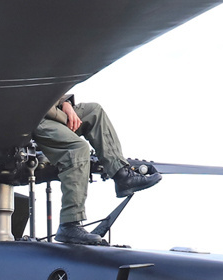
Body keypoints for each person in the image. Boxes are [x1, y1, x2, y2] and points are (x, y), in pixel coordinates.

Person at [35, 97, 160, 245]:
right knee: (77, 149)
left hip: (50, 110)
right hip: (28, 117)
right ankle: (69, 223)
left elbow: (49, 88)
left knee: (94, 112)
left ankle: (122, 176)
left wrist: (65, 103)